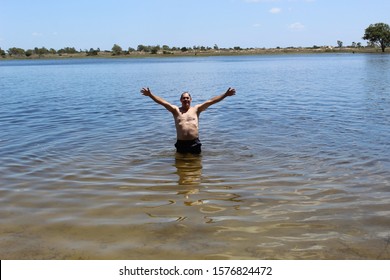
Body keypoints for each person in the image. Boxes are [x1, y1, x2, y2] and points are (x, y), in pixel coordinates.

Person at [140, 87, 236, 154]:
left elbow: (211, 101)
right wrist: (150, 95)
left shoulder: (197, 109)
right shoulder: (175, 110)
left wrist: (225, 95)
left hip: (195, 143)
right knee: (180, 167)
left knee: (196, 167)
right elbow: (163, 102)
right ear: (180, 100)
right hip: (181, 144)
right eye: (184, 98)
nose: (186, 100)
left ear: (191, 99)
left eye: (187, 98)